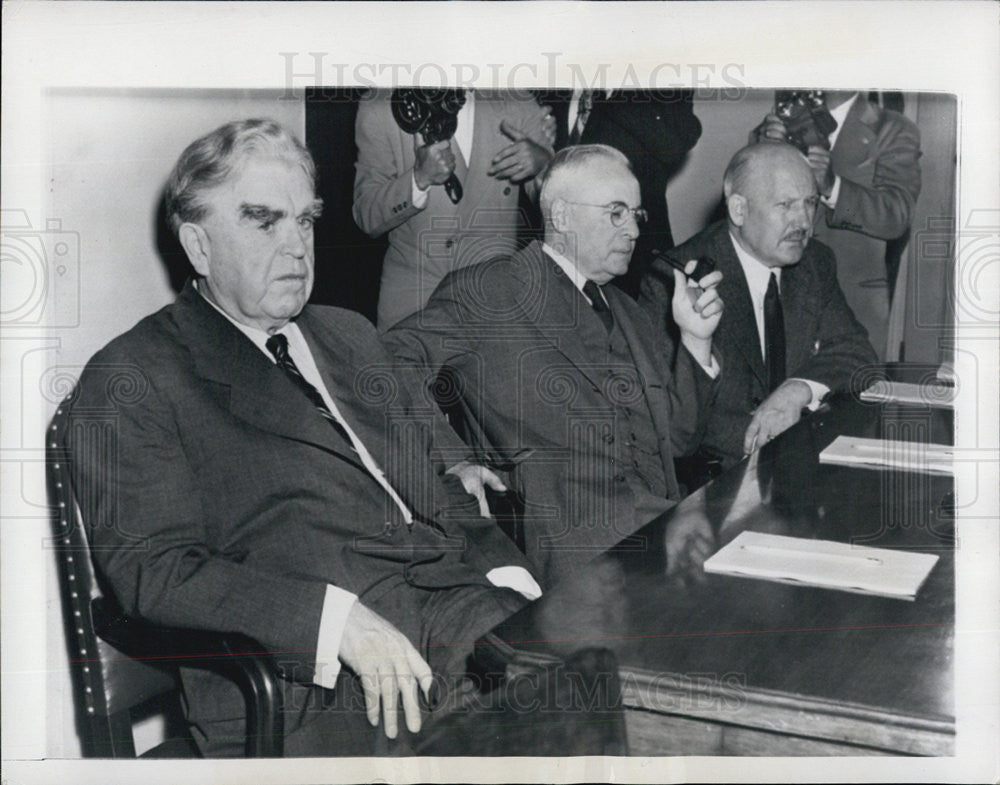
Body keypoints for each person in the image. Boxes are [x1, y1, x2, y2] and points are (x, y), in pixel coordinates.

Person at [62, 119, 546, 757]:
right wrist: (332, 622)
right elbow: (154, 571)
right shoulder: (134, 376)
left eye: (306, 220)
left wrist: (512, 581)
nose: (296, 248)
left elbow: (436, 485)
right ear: (198, 247)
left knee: (608, 680)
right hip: (312, 680)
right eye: (265, 222)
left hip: (451, 607)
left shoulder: (349, 334)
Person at [385, 144, 723, 586]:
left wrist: (696, 341)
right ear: (561, 216)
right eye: (616, 213)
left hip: (667, 529)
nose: (634, 231)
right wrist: (452, 461)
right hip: (574, 551)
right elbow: (389, 362)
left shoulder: (628, 310)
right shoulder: (493, 289)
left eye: (636, 216)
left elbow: (678, 441)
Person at [640, 142, 877, 477]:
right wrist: (773, 443)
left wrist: (796, 390)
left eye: (810, 203)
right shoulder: (676, 279)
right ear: (738, 210)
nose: (804, 221)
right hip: (714, 478)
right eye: (786, 205)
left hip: (800, 462)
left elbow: (857, 353)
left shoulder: (815, 262)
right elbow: (673, 422)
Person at [353, 89, 554, 330]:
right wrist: (418, 179)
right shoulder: (381, 105)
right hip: (414, 301)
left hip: (494, 296)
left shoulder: (516, 101)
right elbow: (366, 215)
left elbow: (556, 207)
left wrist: (543, 166)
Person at [750, 90, 921, 359]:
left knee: (850, 395)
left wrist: (833, 187)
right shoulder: (781, 120)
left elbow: (896, 216)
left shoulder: (894, 129)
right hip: (781, 296)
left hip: (852, 302)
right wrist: (763, 153)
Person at [536, 88, 703, 298]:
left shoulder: (656, 77)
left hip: (630, 271)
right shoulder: (552, 78)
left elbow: (676, 139)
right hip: (550, 255)